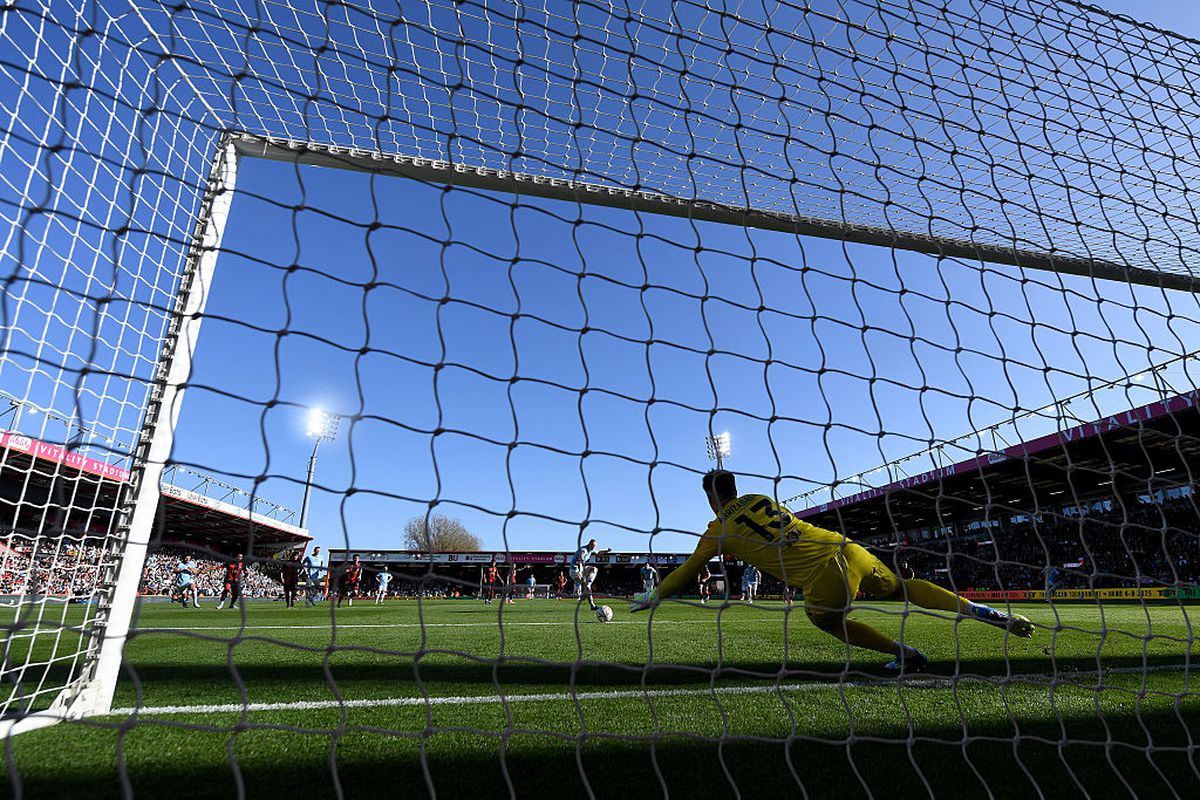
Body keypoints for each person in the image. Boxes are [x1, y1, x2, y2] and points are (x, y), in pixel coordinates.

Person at [632, 470, 1034, 672]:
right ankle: (981, 611)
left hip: (822, 576)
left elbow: (685, 573)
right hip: (846, 547)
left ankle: (905, 654)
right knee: (902, 589)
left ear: (710, 498)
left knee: (824, 620)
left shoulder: (716, 531)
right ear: (735, 488)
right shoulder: (760, 496)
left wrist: (654, 597)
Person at [568, 539, 610, 604]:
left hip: (580, 569)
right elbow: (580, 561)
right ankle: (581, 590)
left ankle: (587, 584)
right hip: (574, 570)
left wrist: (606, 551)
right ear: (589, 544)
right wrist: (580, 571)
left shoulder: (590, 550)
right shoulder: (583, 550)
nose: (593, 547)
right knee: (585, 585)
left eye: (594, 546)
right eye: (593, 546)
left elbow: (598, 553)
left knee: (594, 569)